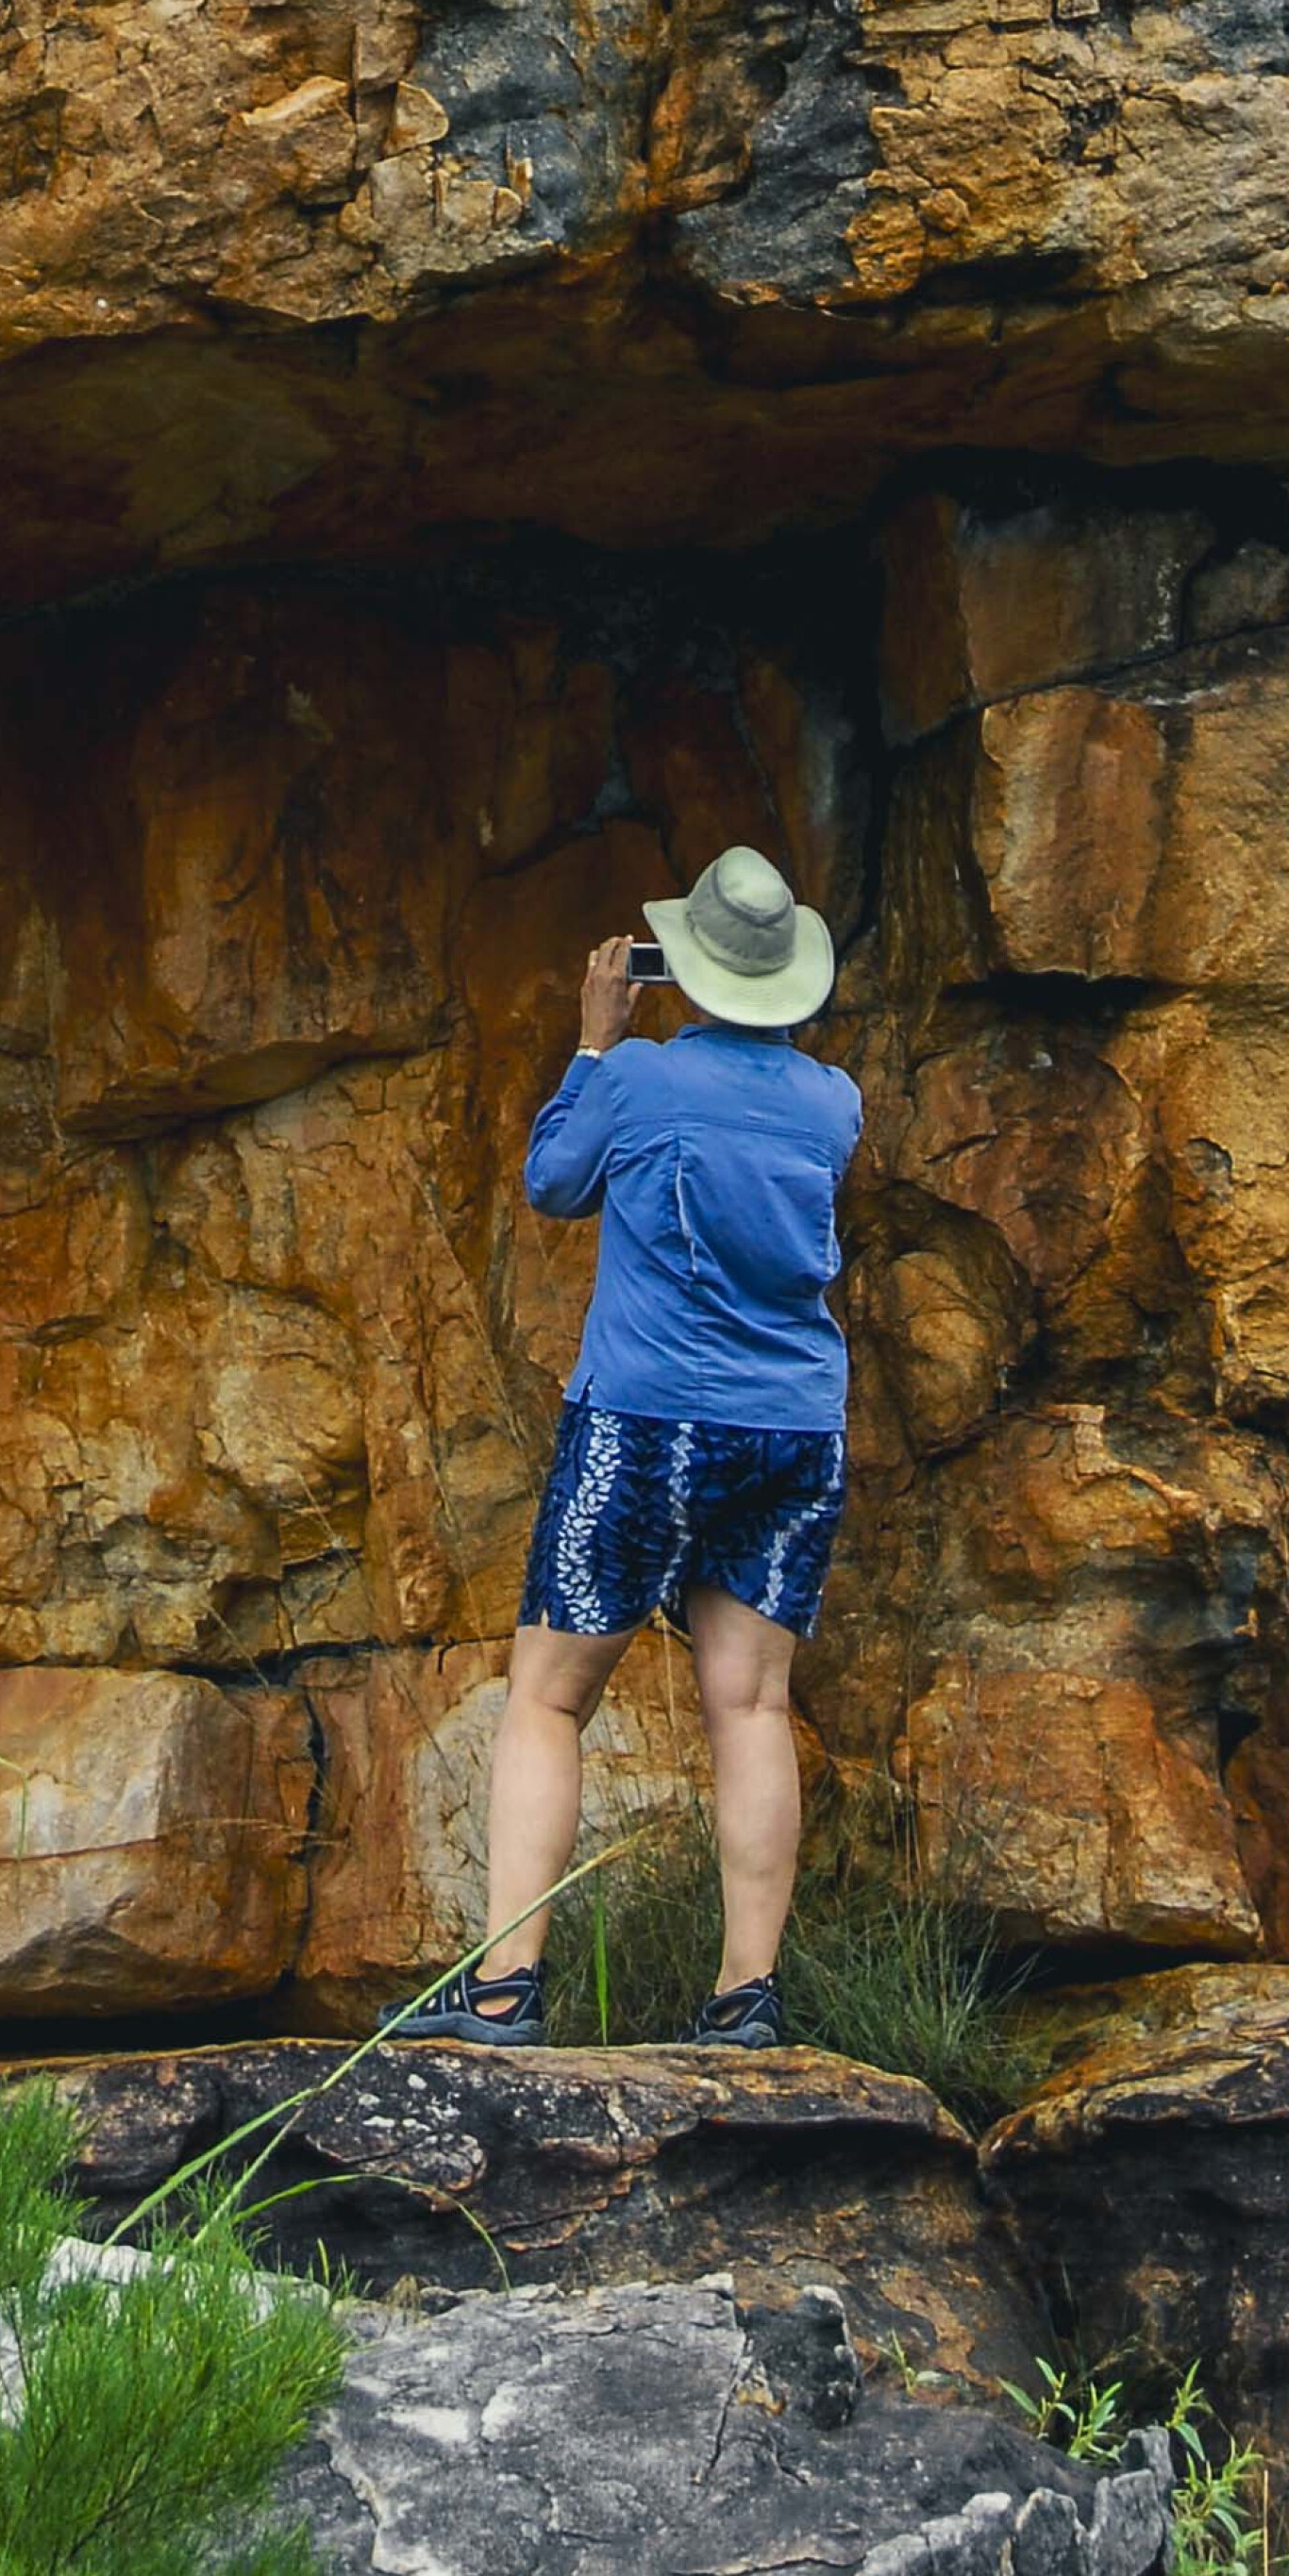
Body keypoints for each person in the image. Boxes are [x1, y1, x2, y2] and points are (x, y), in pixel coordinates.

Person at [394, 841, 860, 2051]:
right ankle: (742, 1998)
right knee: (751, 1705)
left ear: (685, 966)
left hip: (648, 1419)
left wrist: (597, 1036)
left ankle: (502, 1991)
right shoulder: (833, 1101)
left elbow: (553, 1182)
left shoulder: (643, 1077)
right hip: (795, 1427)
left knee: (549, 1698)